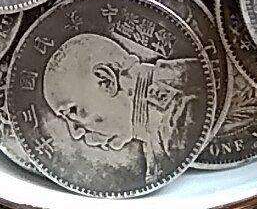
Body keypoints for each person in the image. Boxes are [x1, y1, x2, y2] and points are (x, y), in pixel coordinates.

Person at [43, 33, 200, 183]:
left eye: (72, 111)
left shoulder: (184, 110)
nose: (75, 133)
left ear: (106, 82)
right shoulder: (158, 137)